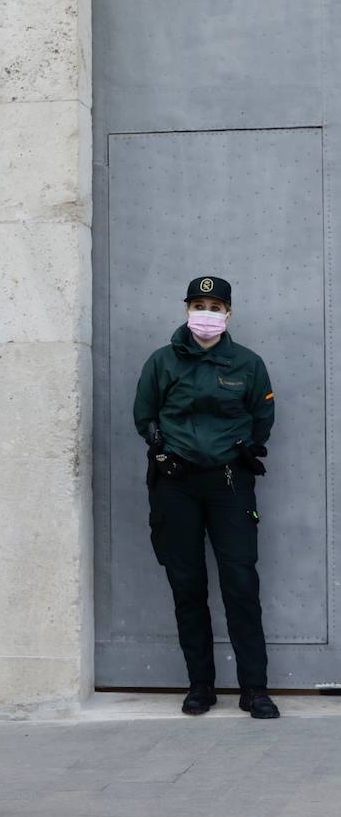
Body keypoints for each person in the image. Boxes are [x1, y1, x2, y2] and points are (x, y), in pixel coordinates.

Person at [133, 276, 278, 719]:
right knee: (188, 585)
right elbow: (145, 414)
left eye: (215, 306)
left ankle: (254, 688)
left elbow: (262, 417)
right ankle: (201, 685)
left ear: (228, 313)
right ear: (186, 309)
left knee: (240, 584)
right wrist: (161, 444)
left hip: (229, 485)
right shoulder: (162, 362)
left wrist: (237, 448)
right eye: (198, 304)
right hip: (176, 485)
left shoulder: (247, 364)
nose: (206, 314)